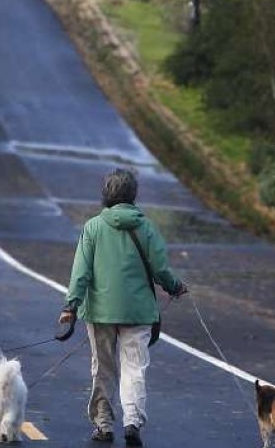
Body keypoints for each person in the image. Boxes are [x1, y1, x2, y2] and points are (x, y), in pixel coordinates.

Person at [59, 168, 187, 447]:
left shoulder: (93, 227)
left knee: (103, 368)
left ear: (106, 194)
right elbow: (161, 270)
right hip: (138, 313)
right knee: (134, 368)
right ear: (133, 195)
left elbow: (80, 272)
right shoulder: (148, 228)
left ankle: (103, 426)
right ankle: (132, 421)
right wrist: (176, 286)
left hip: (100, 312)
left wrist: (71, 305)